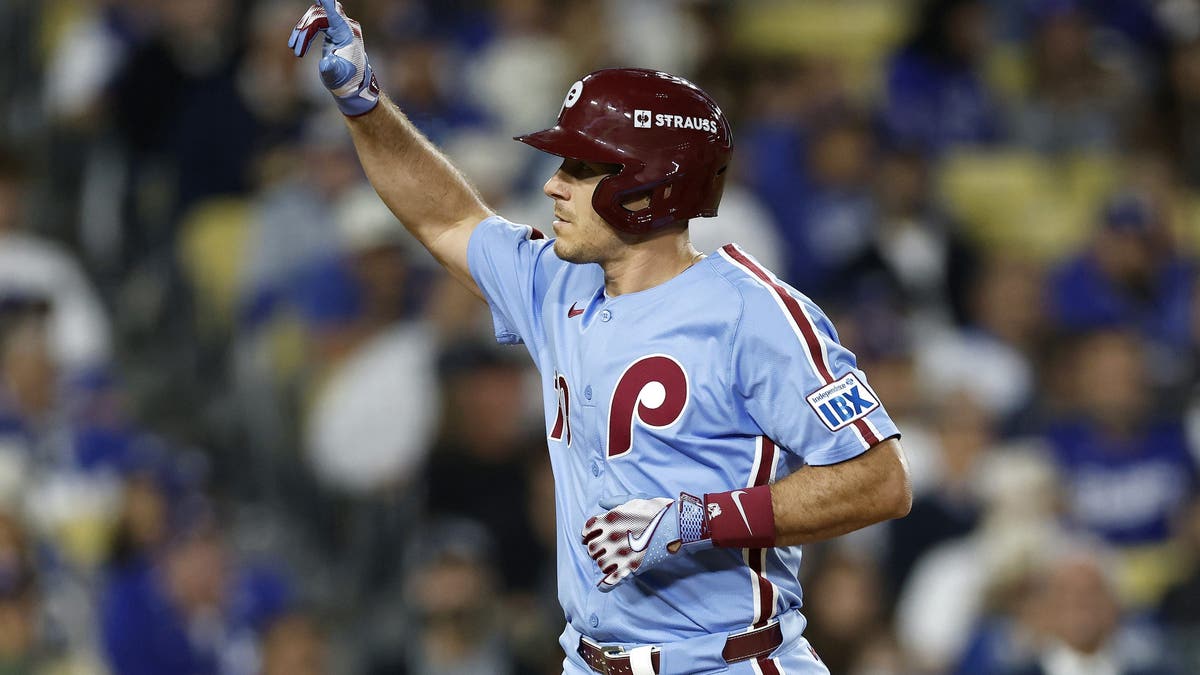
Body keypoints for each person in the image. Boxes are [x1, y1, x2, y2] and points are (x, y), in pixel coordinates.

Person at [289, 3, 912, 673]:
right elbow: (444, 218)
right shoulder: (555, 284)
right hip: (589, 659)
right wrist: (364, 104)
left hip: (727, 660)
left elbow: (879, 480)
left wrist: (694, 519)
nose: (553, 185)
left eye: (583, 168)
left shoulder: (752, 313)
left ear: (649, 188)